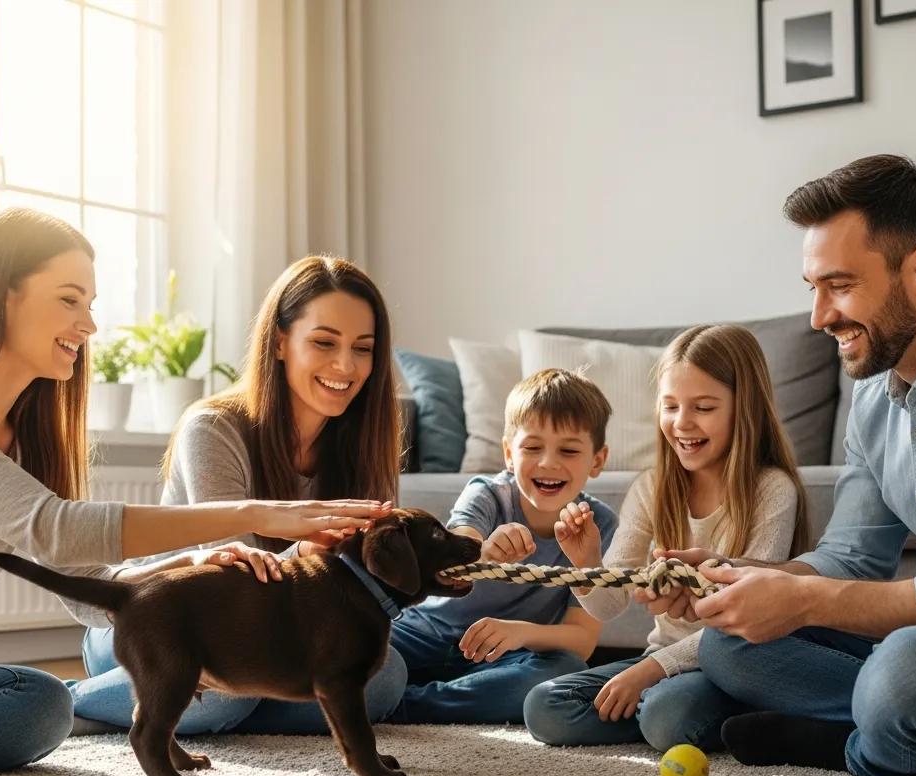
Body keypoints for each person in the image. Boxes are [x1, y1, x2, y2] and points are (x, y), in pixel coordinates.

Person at [0, 209, 391, 775]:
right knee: (37, 713)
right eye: (68, 299)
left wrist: (190, 560)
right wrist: (262, 515)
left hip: (197, 624)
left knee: (36, 700)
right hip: (193, 627)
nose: (89, 325)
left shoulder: (29, 438)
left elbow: (88, 592)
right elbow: (51, 526)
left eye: (90, 304)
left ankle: (178, 701)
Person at [658, 155, 916, 776]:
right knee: (732, 641)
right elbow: (853, 556)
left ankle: (852, 744)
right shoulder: (875, 395)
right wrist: (746, 577)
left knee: (906, 671)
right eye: (813, 288)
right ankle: (906, 737)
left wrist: (807, 601)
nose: (818, 316)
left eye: (840, 285)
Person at [75, 255, 408, 735]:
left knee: (383, 677)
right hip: (166, 620)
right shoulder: (213, 429)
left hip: (276, 640)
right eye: (323, 342)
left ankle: (231, 709)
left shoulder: (364, 444)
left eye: (363, 348)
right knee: (228, 695)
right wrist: (312, 549)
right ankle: (76, 703)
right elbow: (234, 583)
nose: (345, 365)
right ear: (279, 343)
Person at [523, 325, 807, 750]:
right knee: (545, 706)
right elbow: (609, 604)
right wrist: (586, 563)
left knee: (665, 715)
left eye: (704, 407)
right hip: (661, 664)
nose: (682, 423)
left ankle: (681, 713)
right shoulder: (651, 488)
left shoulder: (772, 489)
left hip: (728, 665)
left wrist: (650, 672)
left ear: (743, 408)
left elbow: (744, 624)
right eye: (670, 406)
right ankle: (661, 714)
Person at [387, 368, 619, 724]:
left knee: (562, 670)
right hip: (423, 632)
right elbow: (459, 541)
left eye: (569, 450)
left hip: (504, 653)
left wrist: (519, 632)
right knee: (365, 647)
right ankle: (395, 692)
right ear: (509, 453)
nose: (548, 462)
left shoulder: (598, 524)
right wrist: (483, 551)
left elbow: (582, 640)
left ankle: (404, 704)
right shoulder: (488, 493)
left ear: (598, 461)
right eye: (532, 447)